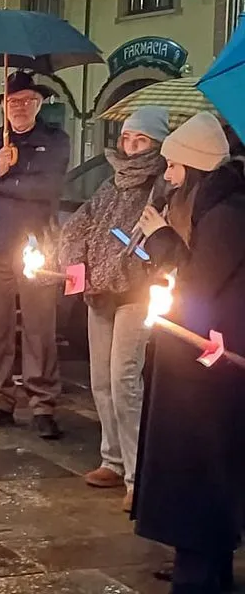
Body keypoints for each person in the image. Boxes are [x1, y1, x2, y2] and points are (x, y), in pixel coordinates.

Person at [134, 113, 245, 594]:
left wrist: (161, 239)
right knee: (198, 480)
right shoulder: (213, 207)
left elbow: (199, 286)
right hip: (193, 362)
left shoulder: (227, 213)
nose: (169, 176)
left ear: (196, 167)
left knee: (199, 475)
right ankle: (203, 567)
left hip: (205, 372)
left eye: (175, 166)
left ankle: (199, 574)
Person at [60, 106, 170, 512]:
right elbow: (79, 225)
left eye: (140, 140)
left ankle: (139, 476)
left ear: (156, 143)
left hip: (135, 293)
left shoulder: (161, 186)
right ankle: (112, 458)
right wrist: (75, 264)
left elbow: (159, 239)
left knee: (125, 379)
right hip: (99, 291)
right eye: (126, 138)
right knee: (101, 379)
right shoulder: (110, 184)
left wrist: (138, 258)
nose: (131, 146)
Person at [0, 71, 70, 440]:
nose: (19, 107)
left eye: (26, 100)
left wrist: (2, 185)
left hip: (38, 246)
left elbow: (48, 186)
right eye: (12, 101)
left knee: (39, 327)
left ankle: (43, 402)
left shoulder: (54, 140)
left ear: (38, 104)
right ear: (3, 106)